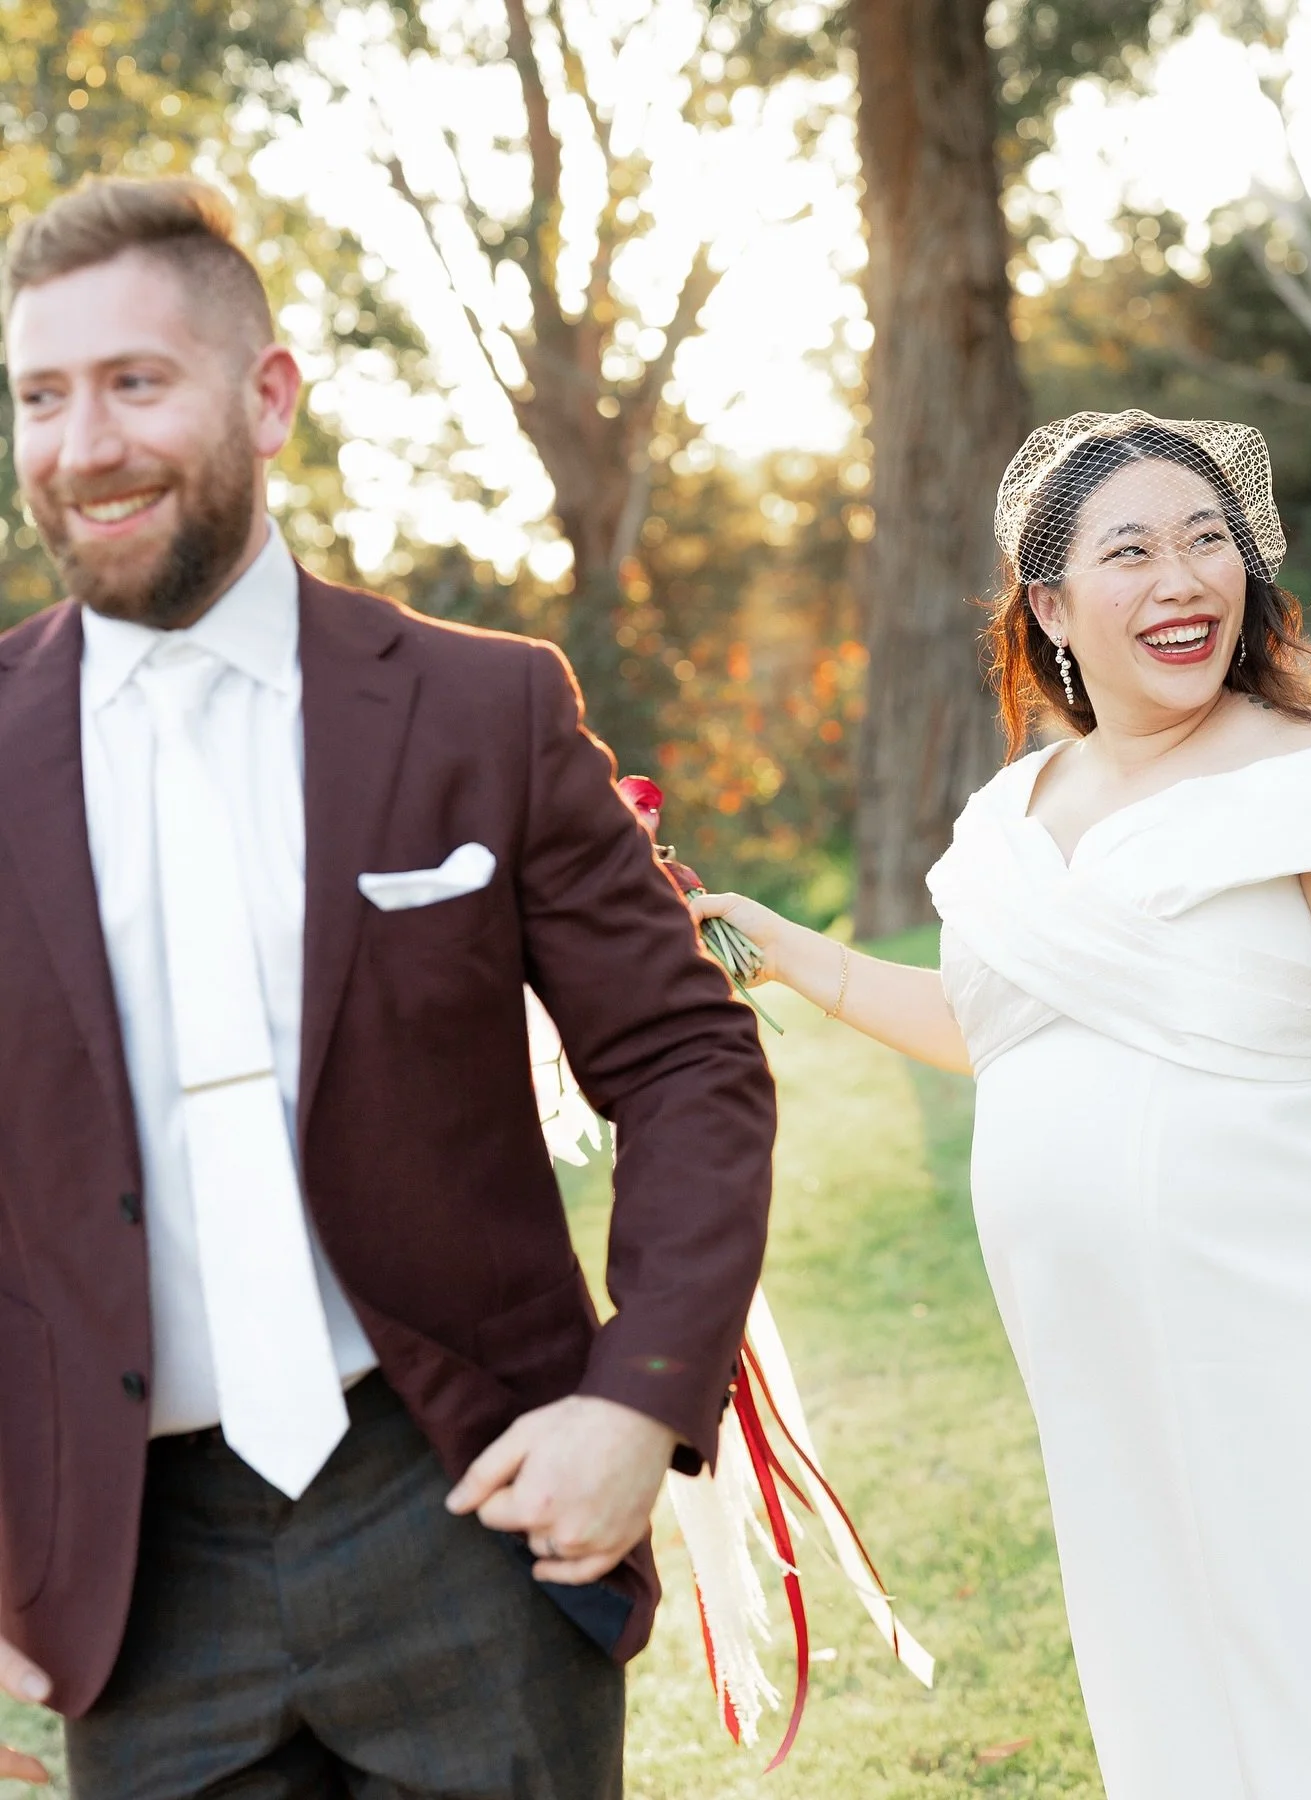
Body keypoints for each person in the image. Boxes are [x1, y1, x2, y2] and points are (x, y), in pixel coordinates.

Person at [0, 174, 776, 1798]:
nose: (83, 447)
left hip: (463, 1510)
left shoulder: (480, 709)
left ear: (268, 394)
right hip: (135, 1578)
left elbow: (685, 1060)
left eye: (136, 382)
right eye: (41, 397)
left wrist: (638, 1406)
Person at [696, 409, 1311, 1800]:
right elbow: (1003, 1034)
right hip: (1109, 1374)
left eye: (1209, 540)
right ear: (1050, 603)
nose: (1182, 580)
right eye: (1133, 551)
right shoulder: (1015, 809)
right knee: (1188, 1670)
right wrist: (777, 943)